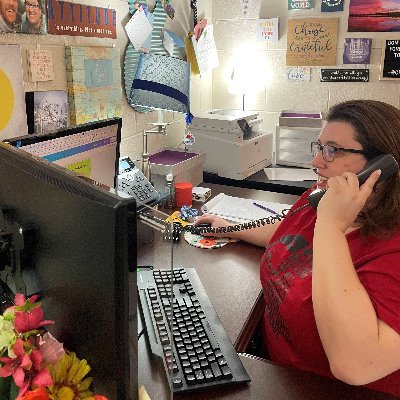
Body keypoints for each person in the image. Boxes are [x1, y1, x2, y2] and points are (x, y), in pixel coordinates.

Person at [194, 100, 400, 397]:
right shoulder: (322, 199)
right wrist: (229, 227)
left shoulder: (386, 247)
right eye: (319, 148)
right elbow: (290, 233)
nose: (316, 163)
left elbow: (355, 364)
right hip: (274, 372)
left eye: (333, 150)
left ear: (383, 166)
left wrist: (331, 226)